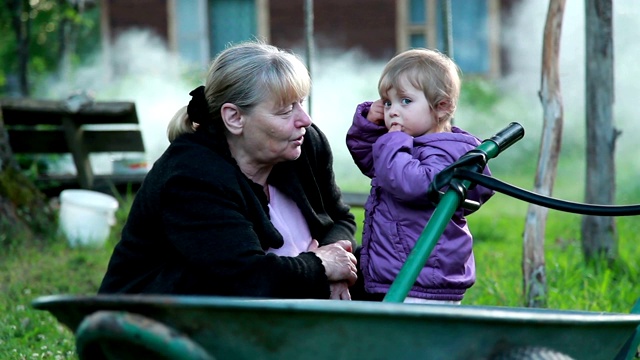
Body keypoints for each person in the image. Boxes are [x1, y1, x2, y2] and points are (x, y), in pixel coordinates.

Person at [99, 41, 358, 300]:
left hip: (253, 320)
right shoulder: (191, 176)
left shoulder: (304, 146)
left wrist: (336, 263)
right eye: (286, 109)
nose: (305, 119)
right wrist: (321, 267)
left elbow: (340, 219)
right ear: (234, 118)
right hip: (153, 324)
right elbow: (246, 279)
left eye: (301, 102)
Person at [346, 48, 494, 304]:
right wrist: (370, 126)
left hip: (422, 280)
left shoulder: (446, 152)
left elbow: (415, 185)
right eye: (388, 102)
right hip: (400, 274)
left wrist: (392, 139)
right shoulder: (408, 145)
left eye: (405, 101)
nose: (393, 111)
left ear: (441, 107)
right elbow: (373, 162)